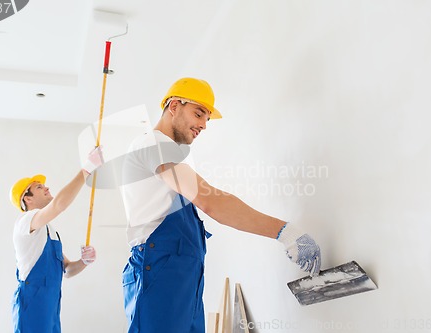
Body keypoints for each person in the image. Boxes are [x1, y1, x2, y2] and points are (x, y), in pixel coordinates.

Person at [120, 77, 322, 332]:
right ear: (173, 106)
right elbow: (210, 201)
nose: (204, 125)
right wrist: (284, 231)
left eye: (207, 118)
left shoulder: (174, 157)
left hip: (182, 274)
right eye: (199, 113)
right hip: (158, 270)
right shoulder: (153, 145)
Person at [9, 147, 103, 333]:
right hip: (32, 306)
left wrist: (84, 262)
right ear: (27, 199)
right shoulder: (26, 221)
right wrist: (87, 168)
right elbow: (59, 204)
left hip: (50, 308)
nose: (46, 187)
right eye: (39, 187)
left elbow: (66, 270)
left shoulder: (48, 231)